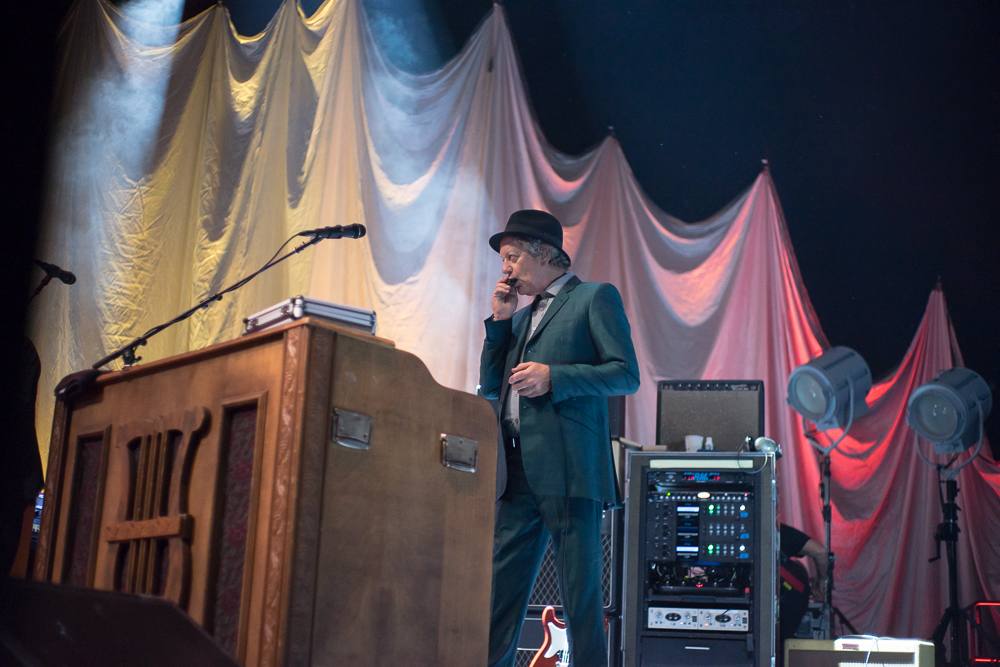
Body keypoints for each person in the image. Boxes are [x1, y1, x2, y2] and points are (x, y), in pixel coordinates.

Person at [479, 209, 640, 667]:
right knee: (500, 596)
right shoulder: (520, 316)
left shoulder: (593, 297)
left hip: (570, 469)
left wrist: (556, 377)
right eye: (503, 259)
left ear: (545, 254)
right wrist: (499, 321)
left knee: (581, 599)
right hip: (517, 471)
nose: (505, 268)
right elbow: (492, 387)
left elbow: (626, 374)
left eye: (512, 257)